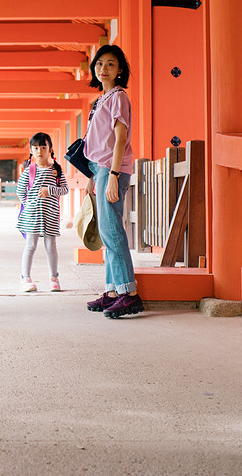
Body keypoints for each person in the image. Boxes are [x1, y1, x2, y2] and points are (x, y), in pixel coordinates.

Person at [82, 45, 144, 318]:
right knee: (107, 232)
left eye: (110, 64)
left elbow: (120, 139)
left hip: (112, 169)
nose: (103, 68)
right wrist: (93, 176)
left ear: (120, 70)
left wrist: (113, 175)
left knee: (112, 231)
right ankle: (112, 291)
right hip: (101, 169)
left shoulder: (119, 97)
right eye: (99, 64)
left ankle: (128, 293)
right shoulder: (100, 101)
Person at [16, 132, 69, 293]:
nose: (39, 151)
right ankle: (25, 278)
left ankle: (54, 278)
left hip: (51, 215)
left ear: (50, 150)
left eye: (43, 147)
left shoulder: (56, 171)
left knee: (51, 246)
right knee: (30, 245)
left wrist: (49, 190)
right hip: (32, 216)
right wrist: (30, 204)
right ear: (31, 150)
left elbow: (65, 189)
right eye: (36, 148)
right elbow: (20, 191)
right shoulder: (29, 171)